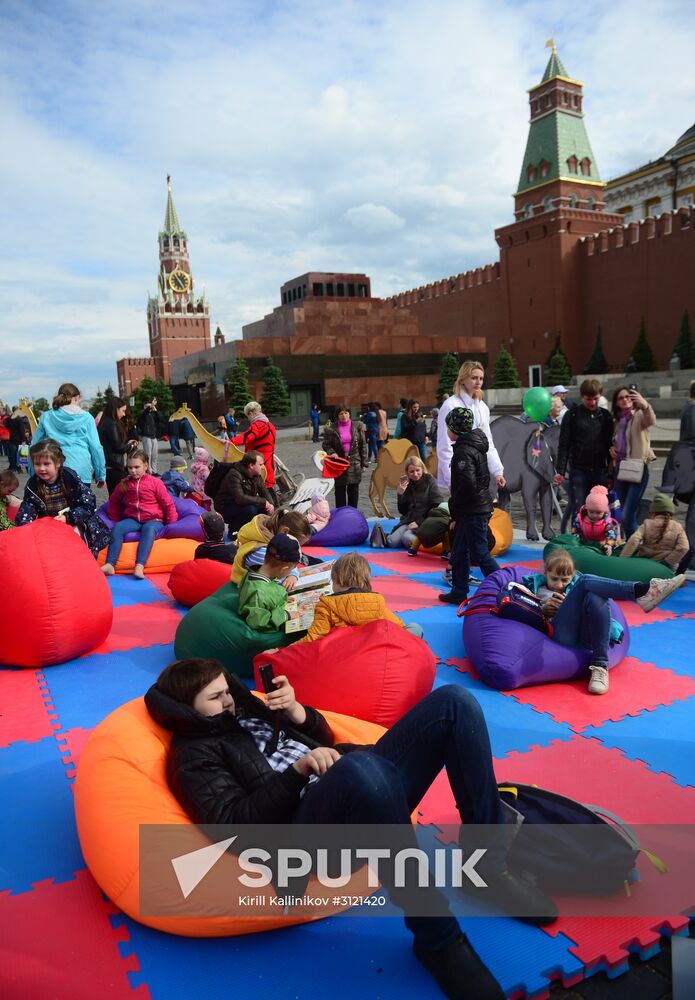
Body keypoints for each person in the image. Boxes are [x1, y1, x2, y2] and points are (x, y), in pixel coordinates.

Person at [145, 660, 560, 1000]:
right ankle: (437, 938)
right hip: (303, 837)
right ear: (188, 708)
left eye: (227, 690)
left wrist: (296, 713)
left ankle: (490, 865)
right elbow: (235, 827)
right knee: (362, 771)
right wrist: (296, 772)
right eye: (215, 698)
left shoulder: (248, 707)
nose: (230, 702)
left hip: (356, 784)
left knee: (455, 702)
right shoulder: (192, 756)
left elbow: (322, 738)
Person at [523, 548, 686, 694]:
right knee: (586, 581)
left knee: (596, 594)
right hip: (561, 632)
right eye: (555, 579)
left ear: (572, 576)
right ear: (545, 574)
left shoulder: (575, 588)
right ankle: (642, 592)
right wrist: (542, 609)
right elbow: (520, 612)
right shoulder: (535, 588)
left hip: (586, 634)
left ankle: (600, 667)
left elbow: (591, 606)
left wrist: (572, 602)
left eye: (565, 580)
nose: (559, 584)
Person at [439, 407, 500, 606]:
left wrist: (455, 508)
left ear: (454, 429)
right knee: (459, 551)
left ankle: (505, 585)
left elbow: (467, 484)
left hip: (472, 509)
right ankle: (459, 591)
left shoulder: (463, 452)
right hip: (472, 508)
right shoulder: (473, 446)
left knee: (480, 553)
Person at [294, 552, 424, 642]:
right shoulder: (376, 601)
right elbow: (399, 627)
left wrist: (282, 651)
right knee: (414, 627)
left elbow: (312, 638)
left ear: (336, 580)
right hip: (373, 652)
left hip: (342, 655)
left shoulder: (326, 605)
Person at [15, 439, 111, 557]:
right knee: (43, 545)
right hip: (50, 524)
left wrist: (68, 517)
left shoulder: (69, 477)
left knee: (75, 537)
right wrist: (24, 528)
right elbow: (28, 507)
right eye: (37, 464)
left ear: (58, 463)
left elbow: (88, 503)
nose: (42, 468)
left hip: (76, 520)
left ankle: (83, 564)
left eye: (46, 464)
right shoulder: (33, 485)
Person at [101, 449, 178, 579]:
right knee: (118, 528)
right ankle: (110, 564)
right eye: (130, 467)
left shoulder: (155, 483)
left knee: (148, 530)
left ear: (146, 466)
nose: (133, 471)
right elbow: (114, 501)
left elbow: (167, 504)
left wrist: (172, 526)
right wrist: (115, 519)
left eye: (137, 467)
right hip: (133, 519)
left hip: (154, 519)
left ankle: (140, 565)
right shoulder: (125, 483)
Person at [554, 378, 613, 529]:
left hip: (599, 469)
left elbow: (609, 444)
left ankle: (599, 535)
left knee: (600, 507)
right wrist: (560, 470)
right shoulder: (572, 415)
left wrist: (610, 472)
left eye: (595, 399)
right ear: (582, 397)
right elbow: (564, 444)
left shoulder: (605, 416)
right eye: (588, 399)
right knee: (579, 507)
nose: (592, 403)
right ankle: (577, 537)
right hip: (579, 469)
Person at [436, 363, 505, 492]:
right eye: (474, 378)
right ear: (462, 379)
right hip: (460, 468)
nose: (478, 382)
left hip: (479, 470)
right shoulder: (450, 405)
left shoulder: (483, 407)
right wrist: (451, 479)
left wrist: (497, 471)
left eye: (481, 378)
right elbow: (444, 446)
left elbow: (488, 441)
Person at [31, 383, 106, 487]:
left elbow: (34, 445)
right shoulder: (87, 417)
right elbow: (96, 447)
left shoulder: (46, 416)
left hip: (54, 468)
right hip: (81, 468)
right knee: (81, 502)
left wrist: (33, 473)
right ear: (77, 398)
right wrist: (100, 474)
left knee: (55, 502)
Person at [609, 385, 656, 539]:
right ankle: (631, 546)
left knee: (627, 516)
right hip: (620, 470)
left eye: (628, 396)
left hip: (637, 470)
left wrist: (645, 405)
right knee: (620, 512)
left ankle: (636, 545)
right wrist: (612, 449)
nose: (625, 400)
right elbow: (616, 442)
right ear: (616, 402)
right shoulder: (618, 421)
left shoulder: (639, 415)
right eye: (621, 397)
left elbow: (651, 420)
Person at [231, 508, 312, 587]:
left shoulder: (271, 533)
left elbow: (288, 566)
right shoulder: (263, 551)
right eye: (297, 543)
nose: (298, 548)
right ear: (284, 531)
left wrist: (293, 575)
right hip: (247, 590)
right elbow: (276, 579)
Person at [238, 533, 301, 631]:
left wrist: (280, 600)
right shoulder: (260, 593)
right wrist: (286, 615)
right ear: (284, 569)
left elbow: (265, 599)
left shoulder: (251, 572)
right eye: (291, 570)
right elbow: (259, 621)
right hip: (261, 630)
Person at [385, 456, 445, 555]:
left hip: (425, 521)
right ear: (407, 472)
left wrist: (418, 522)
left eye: (418, 470)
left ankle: (441, 548)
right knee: (392, 542)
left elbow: (436, 506)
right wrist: (400, 495)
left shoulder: (429, 480)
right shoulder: (407, 483)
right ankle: (382, 535)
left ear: (422, 468)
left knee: (406, 538)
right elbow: (403, 511)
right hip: (408, 521)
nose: (415, 474)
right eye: (411, 472)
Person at [620, 494, 689, 571]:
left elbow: (633, 540)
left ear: (653, 513)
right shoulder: (677, 527)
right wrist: (668, 562)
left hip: (645, 563)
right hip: (667, 568)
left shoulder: (647, 524)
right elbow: (684, 547)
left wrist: (622, 560)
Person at [214, 451, 274, 536]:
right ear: (251, 465)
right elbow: (240, 498)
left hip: (242, 504)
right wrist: (264, 502)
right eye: (260, 465)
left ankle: (256, 531)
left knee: (265, 508)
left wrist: (270, 505)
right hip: (225, 507)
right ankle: (234, 533)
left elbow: (265, 492)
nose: (263, 467)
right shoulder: (234, 474)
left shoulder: (256, 475)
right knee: (250, 510)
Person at [322, 405, 368, 509]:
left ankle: (352, 514)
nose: (344, 415)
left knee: (353, 490)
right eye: (341, 413)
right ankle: (341, 514)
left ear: (349, 414)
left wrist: (364, 463)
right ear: (337, 416)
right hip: (339, 463)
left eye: (346, 413)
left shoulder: (358, 426)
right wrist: (332, 452)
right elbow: (326, 444)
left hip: (354, 462)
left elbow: (363, 445)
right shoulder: (331, 429)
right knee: (339, 490)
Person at [230, 401, 278, 495]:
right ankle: (275, 507)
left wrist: (229, 442)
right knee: (268, 488)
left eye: (248, 415)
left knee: (261, 490)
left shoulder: (257, 425)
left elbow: (246, 436)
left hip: (258, 462)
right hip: (269, 461)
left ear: (251, 413)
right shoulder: (270, 425)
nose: (248, 418)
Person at [98, 396, 138, 495]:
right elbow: (118, 447)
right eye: (123, 411)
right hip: (115, 465)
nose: (124, 414)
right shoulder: (111, 423)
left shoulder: (104, 421)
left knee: (114, 496)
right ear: (116, 409)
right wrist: (131, 446)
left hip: (109, 465)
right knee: (120, 496)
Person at [572, 485, 621, 556]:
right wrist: (575, 542)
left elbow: (612, 536)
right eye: (591, 512)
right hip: (584, 545)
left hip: (601, 547)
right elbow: (575, 532)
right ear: (586, 509)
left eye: (598, 513)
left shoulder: (607, 523)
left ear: (604, 511)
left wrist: (609, 545)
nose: (594, 515)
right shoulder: (579, 519)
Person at [136, 401, 160, 475]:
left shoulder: (152, 415)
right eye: (148, 406)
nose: (150, 408)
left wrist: (155, 410)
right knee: (148, 454)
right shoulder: (142, 414)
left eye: (150, 406)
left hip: (153, 436)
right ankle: (149, 470)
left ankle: (154, 471)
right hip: (146, 436)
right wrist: (151, 406)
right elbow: (144, 413)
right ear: (144, 407)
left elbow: (159, 419)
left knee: (154, 455)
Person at [6, 407, 31, 473]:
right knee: (24, 455)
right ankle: (27, 469)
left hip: (12, 439)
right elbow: (21, 430)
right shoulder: (19, 419)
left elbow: (7, 427)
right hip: (20, 439)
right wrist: (23, 440)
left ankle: (18, 469)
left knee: (14, 455)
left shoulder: (9, 419)